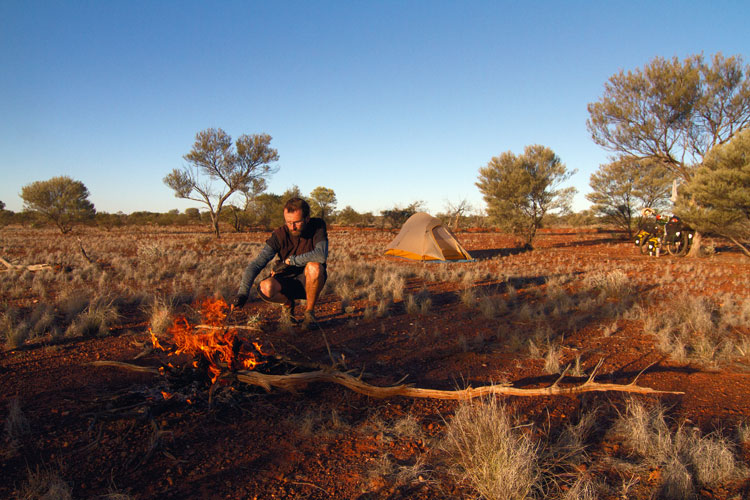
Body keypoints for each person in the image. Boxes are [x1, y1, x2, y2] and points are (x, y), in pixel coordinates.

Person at [233, 197, 328, 327]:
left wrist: (292, 261)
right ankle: (288, 304)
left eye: (297, 222)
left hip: (309, 281)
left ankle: (309, 314)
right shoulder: (279, 235)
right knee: (265, 287)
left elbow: (321, 255)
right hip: (287, 279)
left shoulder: (317, 225)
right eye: (288, 222)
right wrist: (243, 293)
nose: (292, 227)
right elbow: (256, 264)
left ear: (307, 218)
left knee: (314, 267)